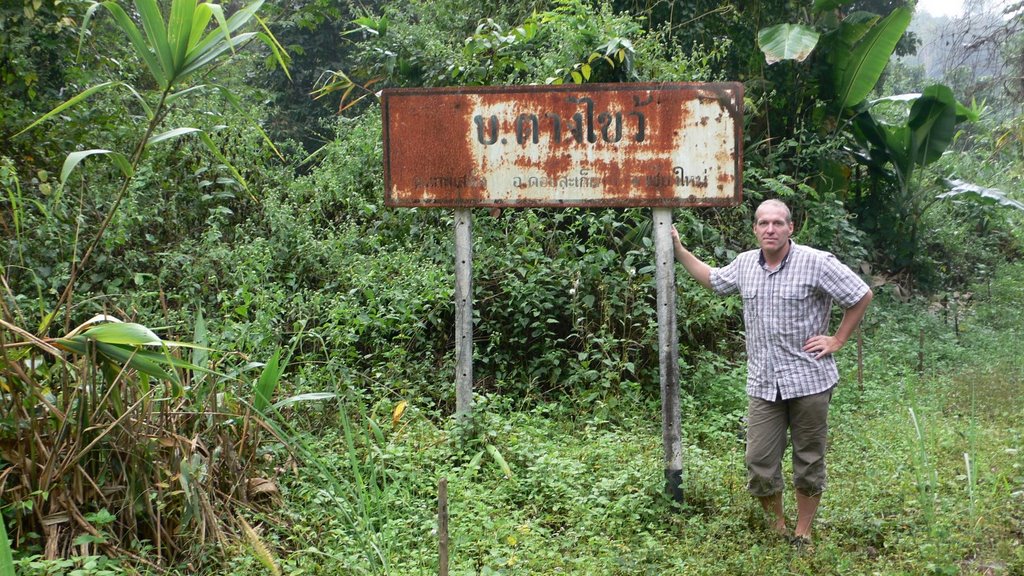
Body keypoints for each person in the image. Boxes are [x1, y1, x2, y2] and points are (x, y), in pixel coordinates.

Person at [670, 199, 873, 547]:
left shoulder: (816, 262)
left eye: (778, 223)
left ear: (790, 228)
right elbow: (714, 280)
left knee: (808, 457)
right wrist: (678, 250)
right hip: (764, 382)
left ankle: (802, 533)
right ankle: (777, 528)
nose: (770, 229)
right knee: (759, 459)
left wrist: (838, 339)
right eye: (763, 223)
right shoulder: (746, 264)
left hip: (809, 379)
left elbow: (860, 295)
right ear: (755, 229)